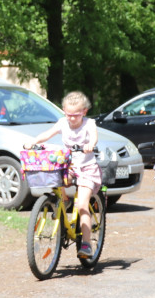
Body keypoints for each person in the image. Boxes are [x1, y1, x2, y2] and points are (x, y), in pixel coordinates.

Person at [26, 91, 102, 258]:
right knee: (54, 177)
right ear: (64, 111)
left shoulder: (89, 124)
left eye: (76, 115)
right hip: (69, 167)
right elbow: (47, 134)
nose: (72, 118)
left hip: (86, 168)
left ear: (84, 112)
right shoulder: (62, 123)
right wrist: (34, 141)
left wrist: (90, 144)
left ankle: (87, 244)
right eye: (69, 114)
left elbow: (94, 137)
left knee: (82, 205)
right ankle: (64, 202)